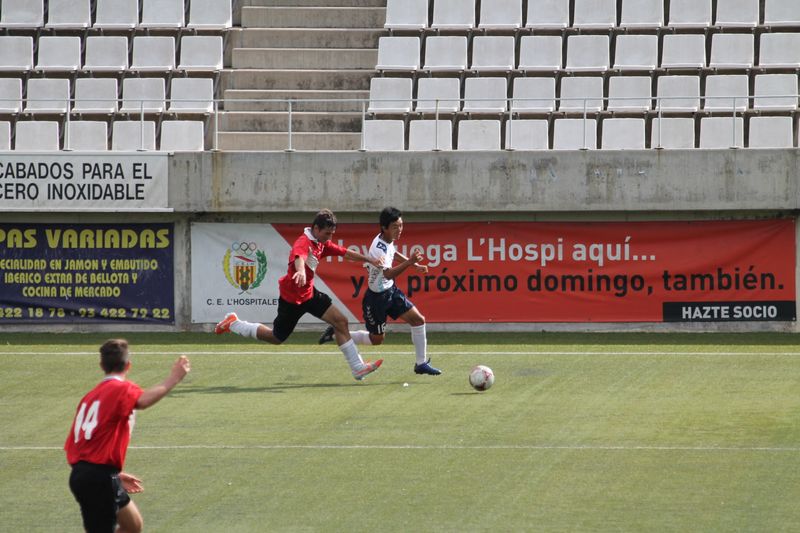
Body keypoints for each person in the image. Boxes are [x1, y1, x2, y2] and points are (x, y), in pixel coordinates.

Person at [215, 209, 384, 381]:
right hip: (292, 299)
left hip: (309, 294)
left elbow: (345, 252)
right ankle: (234, 324)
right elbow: (299, 257)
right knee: (276, 337)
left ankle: (357, 368)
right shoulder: (304, 242)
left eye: (332, 234)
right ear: (316, 229)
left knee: (340, 321)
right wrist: (301, 271)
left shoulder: (322, 243)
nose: (329, 237)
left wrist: (369, 260)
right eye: (327, 233)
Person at [65, 339, 191, 533]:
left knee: (132, 526)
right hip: (98, 476)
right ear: (128, 365)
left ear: (101, 366)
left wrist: (112, 473)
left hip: (88, 473)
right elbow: (143, 401)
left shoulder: (90, 397)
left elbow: (82, 442)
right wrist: (174, 377)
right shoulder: (120, 389)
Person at [320, 207, 441, 376]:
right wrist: (410, 263)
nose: (399, 230)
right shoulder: (378, 248)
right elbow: (388, 273)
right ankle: (335, 333)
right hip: (376, 299)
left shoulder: (387, 240)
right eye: (395, 227)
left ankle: (420, 364)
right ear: (384, 227)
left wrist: (414, 264)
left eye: (401, 225)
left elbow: (394, 253)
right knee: (376, 340)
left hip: (391, 290)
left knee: (418, 320)